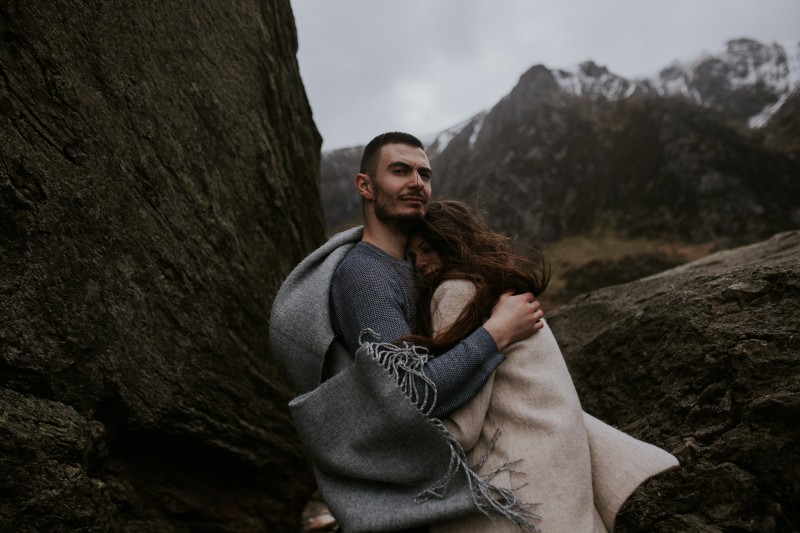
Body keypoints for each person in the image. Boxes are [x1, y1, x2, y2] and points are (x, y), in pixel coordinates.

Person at [269, 133, 545, 532]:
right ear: (365, 186)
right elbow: (411, 394)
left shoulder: (412, 266)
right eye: (400, 171)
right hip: (409, 490)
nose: (417, 182)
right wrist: (498, 332)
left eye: (424, 174)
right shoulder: (366, 275)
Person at [406, 200, 680, 532]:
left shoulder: (455, 291)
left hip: (518, 482)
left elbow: (462, 428)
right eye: (411, 255)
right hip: (558, 461)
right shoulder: (497, 288)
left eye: (427, 249)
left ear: (451, 242)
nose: (419, 264)